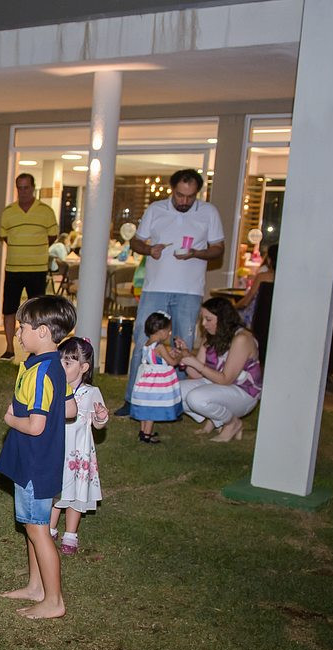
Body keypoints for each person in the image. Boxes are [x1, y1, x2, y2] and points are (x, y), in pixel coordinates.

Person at [0, 294, 77, 620]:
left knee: (38, 529)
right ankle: (36, 586)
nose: (18, 333)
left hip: (35, 462)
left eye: (23, 327)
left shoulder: (41, 372)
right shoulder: (52, 365)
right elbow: (70, 408)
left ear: (42, 332)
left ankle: (54, 600)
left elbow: (35, 425)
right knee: (32, 526)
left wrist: (10, 419)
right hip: (39, 460)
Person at [120, 169, 225, 416]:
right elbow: (136, 241)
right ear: (172, 190)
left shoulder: (209, 212)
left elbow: (218, 248)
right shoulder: (156, 209)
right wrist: (149, 250)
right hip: (154, 288)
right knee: (143, 341)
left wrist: (196, 253)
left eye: (190, 197)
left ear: (197, 193)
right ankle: (133, 399)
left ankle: (175, 400)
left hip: (189, 291)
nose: (184, 201)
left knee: (182, 344)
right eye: (179, 195)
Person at [50, 337, 108, 556]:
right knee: (55, 492)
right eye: (60, 362)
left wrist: (100, 417)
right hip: (58, 449)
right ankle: (50, 528)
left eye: (67, 363)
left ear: (83, 368)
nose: (61, 367)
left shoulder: (91, 393)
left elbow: (98, 424)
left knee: (76, 493)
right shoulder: (55, 388)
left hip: (78, 454)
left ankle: (70, 534)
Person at [179, 296, 264, 442]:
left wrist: (197, 364)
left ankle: (232, 423)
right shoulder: (212, 335)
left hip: (244, 392)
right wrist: (185, 356)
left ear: (223, 319)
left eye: (208, 319)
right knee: (174, 392)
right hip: (218, 385)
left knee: (196, 398)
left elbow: (226, 379)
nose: (203, 324)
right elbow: (195, 375)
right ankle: (215, 419)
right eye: (202, 319)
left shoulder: (242, 339)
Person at [0, 173, 59, 359]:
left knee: (37, 312)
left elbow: (52, 235)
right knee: (9, 309)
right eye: (20, 188)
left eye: (26, 187)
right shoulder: (8, 212)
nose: (23, 191)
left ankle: (35, 351)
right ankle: (9, 348)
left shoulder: (46, 211)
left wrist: (35, 247)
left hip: (37, 269)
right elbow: (4, 237)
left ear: (33, 188)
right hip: (13, 268)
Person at [129, 312, 185, 444]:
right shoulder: (159, 346)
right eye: (168, 331)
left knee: (145, 406)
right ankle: (147, 435)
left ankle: (143, 431)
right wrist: (180, 356)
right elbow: (172, 362)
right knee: (151, 410)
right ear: (161, 331)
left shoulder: (147, 344)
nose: (169, 334)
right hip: (156, 383)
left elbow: (156, 359)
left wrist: (169, 353)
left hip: (146, 381)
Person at [236, 242, 276, 326]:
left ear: (269, 260)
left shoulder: (262, 277)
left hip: (258, 317)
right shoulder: (287, 279)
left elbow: (246, 301)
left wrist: (233, 307)